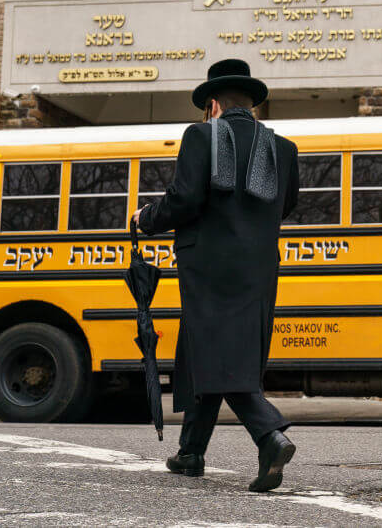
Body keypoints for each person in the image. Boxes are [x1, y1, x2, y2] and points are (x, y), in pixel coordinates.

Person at [132, 58, 299, 492]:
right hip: (259, 269)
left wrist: (146, 217)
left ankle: (268, 434)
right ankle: (191, 452)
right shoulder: (283, 149)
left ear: (213, 104)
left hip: (208, 265)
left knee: (217, 355)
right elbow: (285, 206)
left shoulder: (200, 136)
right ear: (253, 106)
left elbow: (184, 199)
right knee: (207, 350)